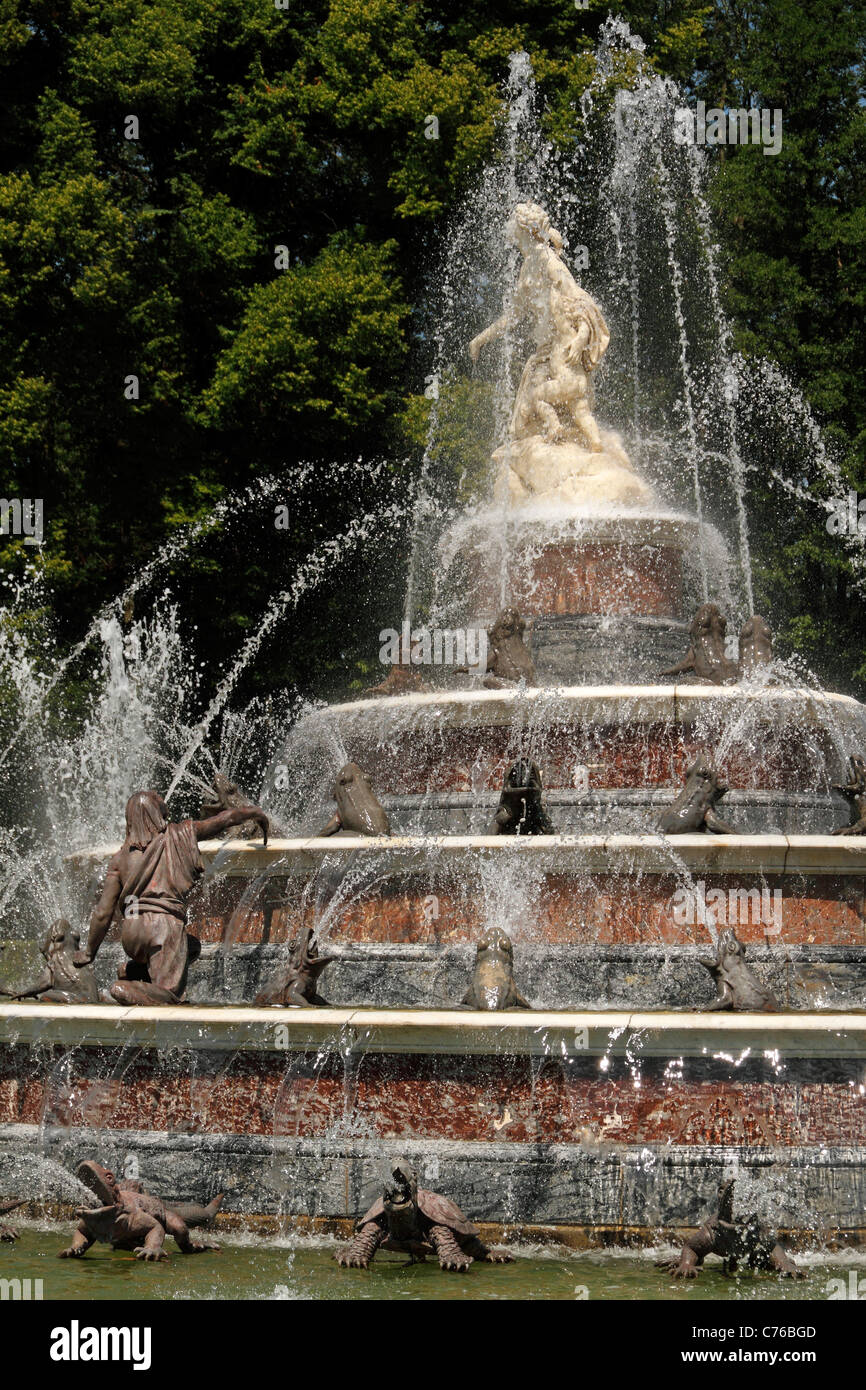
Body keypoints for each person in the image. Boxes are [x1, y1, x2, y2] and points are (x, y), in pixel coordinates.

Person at [74, 789, 268, 1005]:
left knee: (191, 947)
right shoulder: (180, 834)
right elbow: (224, 819)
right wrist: (254, 812)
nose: (163, 801)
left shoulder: (120, 858)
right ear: (155, 811)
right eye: (159, 800)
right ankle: (122, 988)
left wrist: (89, 952)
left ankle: (135, 971)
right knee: (170, 997)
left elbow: (103, 912)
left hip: (131, 933)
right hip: (163, 929)